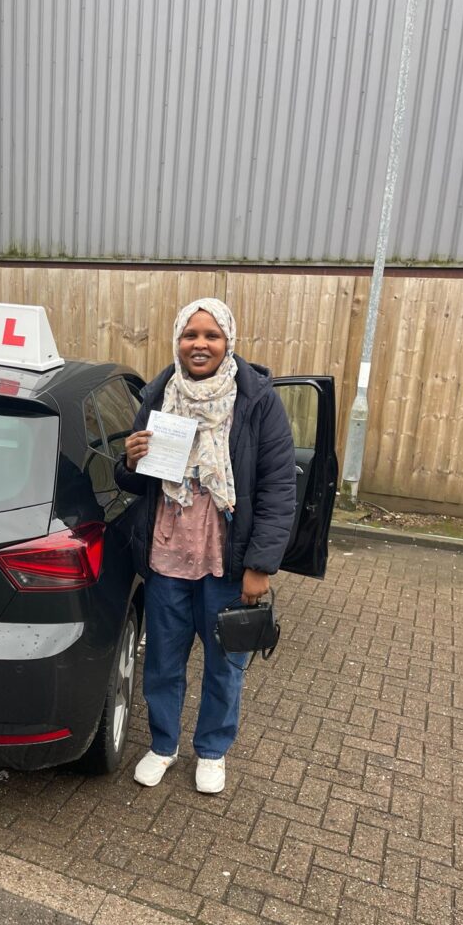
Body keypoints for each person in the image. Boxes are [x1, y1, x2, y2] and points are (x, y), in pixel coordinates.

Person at [115, 297, 296, 794]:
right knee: (163, 662)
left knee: (225, 664)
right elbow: (135, 481)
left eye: (210, 335)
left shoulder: (257, 400)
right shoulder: (158, 394)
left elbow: (279, 488)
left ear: (228, 341)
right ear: (178, 340)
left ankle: (213, 751)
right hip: (167, 556)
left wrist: (260, 565)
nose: (199, 344)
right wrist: (129, 462)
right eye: (190, 335)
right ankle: (164, 744)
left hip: (226, 561)